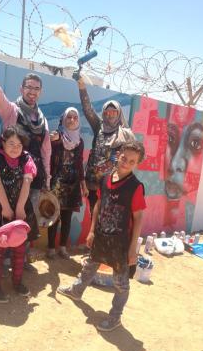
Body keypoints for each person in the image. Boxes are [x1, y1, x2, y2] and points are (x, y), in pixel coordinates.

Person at [57, 140, 146, 332]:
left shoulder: (135, 187)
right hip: (101, 236)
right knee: (90, 265)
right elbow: (98, 204)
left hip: (121, 243)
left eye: (132, 161)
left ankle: (115, 317)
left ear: (136, 164)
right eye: (124, 158)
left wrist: (133, 249)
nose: (126, 163)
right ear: (118, 155)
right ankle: (76, 290)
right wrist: (91, 230)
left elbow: (138, 218)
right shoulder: (105, 179)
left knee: (120, 282)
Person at [0, 68, 51, 269]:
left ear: (40, 92)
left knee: (27, 218)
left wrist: (47, 177)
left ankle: (22, 257)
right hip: (10, 176)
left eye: (36, 88)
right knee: (6, 216)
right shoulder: (12, 110)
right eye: (29, 87)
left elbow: (46, 150)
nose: (32, 91)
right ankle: (3, 259)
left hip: (33, 176)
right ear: (21, 88)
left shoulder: (42, 119)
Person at [0, 126, 39, 303]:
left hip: (21, 208)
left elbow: (26, 184)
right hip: (0, 209)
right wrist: (6, 209)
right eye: (11, 143)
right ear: (3, 142)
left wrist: (20, 209)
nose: (15, 148)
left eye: (19, 144)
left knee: (19, 249)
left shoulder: (27, 159)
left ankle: (17, 282)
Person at [75, 75, 134, 215]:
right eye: (107, 111)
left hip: (113, 184)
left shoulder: (125, 134)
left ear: (119, 113)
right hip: (93, 183)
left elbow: (132, 157)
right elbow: (88, 109)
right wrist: (82, 88)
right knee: (94, 215)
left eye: (114, 111)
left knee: (108, 217)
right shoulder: (99, 126)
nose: (110, 115)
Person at [47, 107, 88, 259]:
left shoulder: (80, 142)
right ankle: (51, 248)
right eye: (68, 117)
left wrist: (83, 184)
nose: (71, 120)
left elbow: (79, 163)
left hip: (72, 185)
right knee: (53, 216)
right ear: (63, 120)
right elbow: (48, 159)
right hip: (56, 184)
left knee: (67, 218)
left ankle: (62, 248)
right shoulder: (56, 138)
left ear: (78, 121)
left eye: (75, 118)